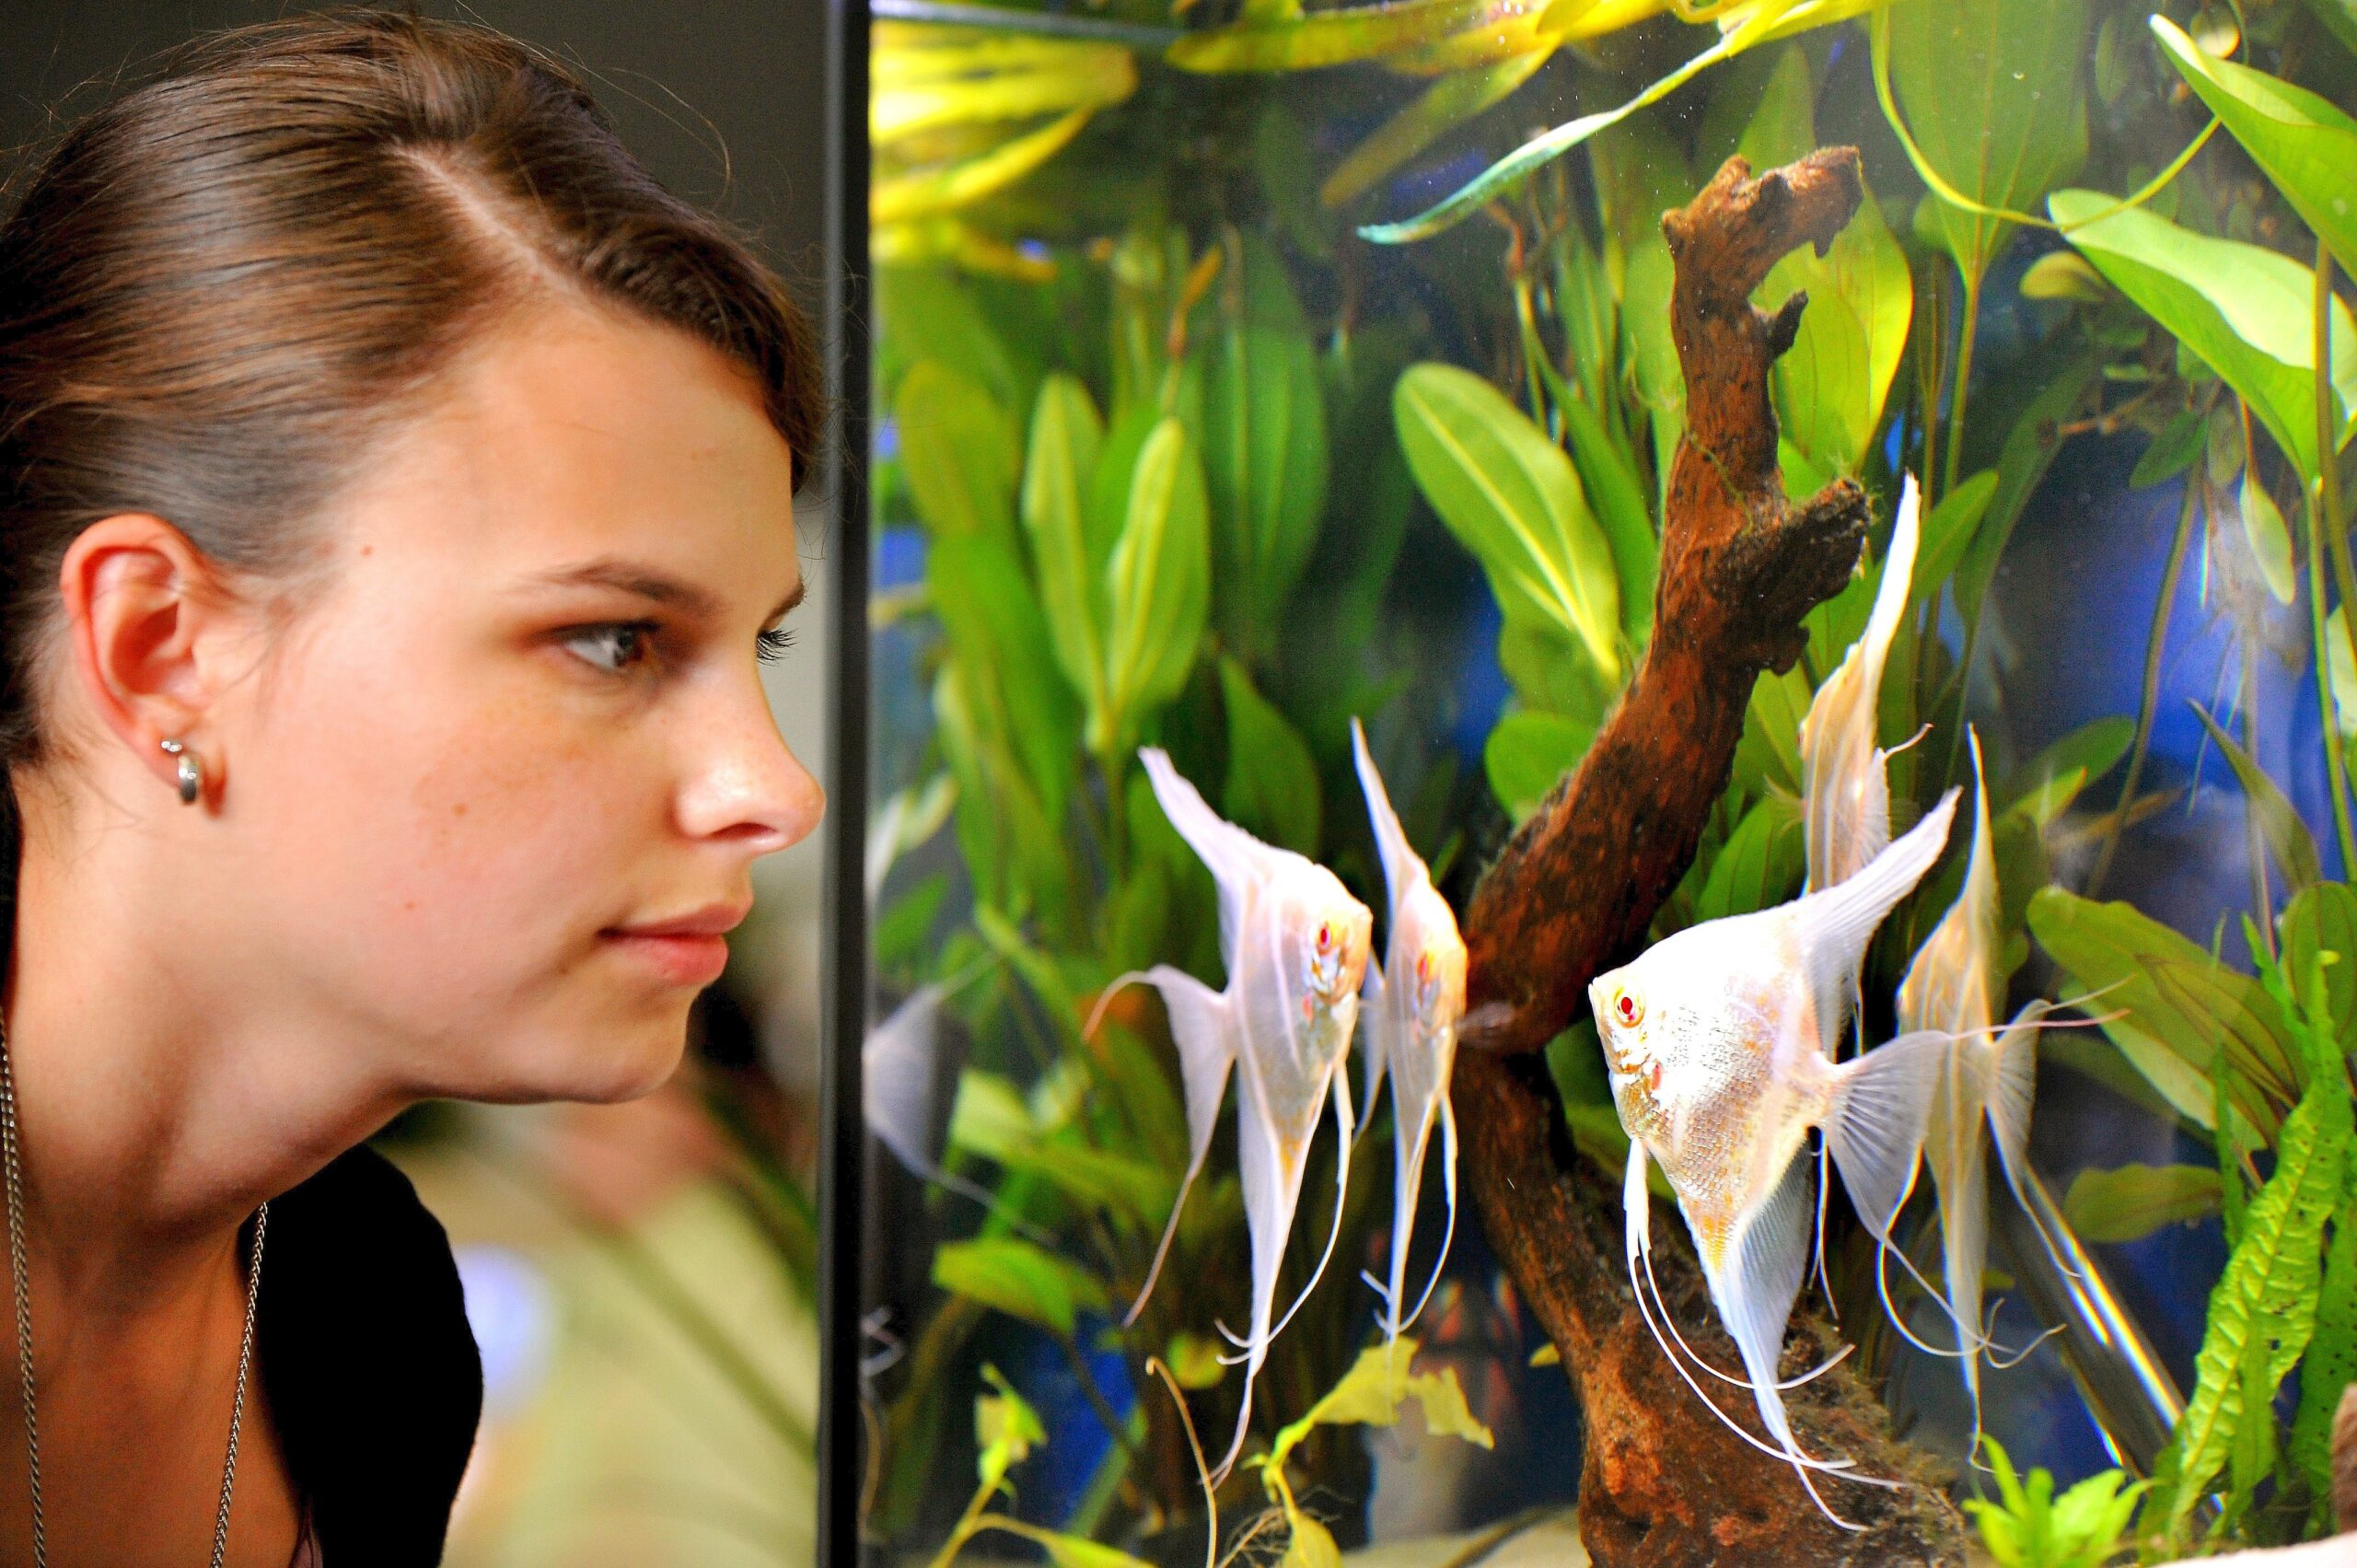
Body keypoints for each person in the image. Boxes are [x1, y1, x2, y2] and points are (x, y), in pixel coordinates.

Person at [0, 9, 829, 1565]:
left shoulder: (372, 1325)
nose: (775, 788)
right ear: (159, 647)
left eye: (760, 644)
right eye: (611, 639)